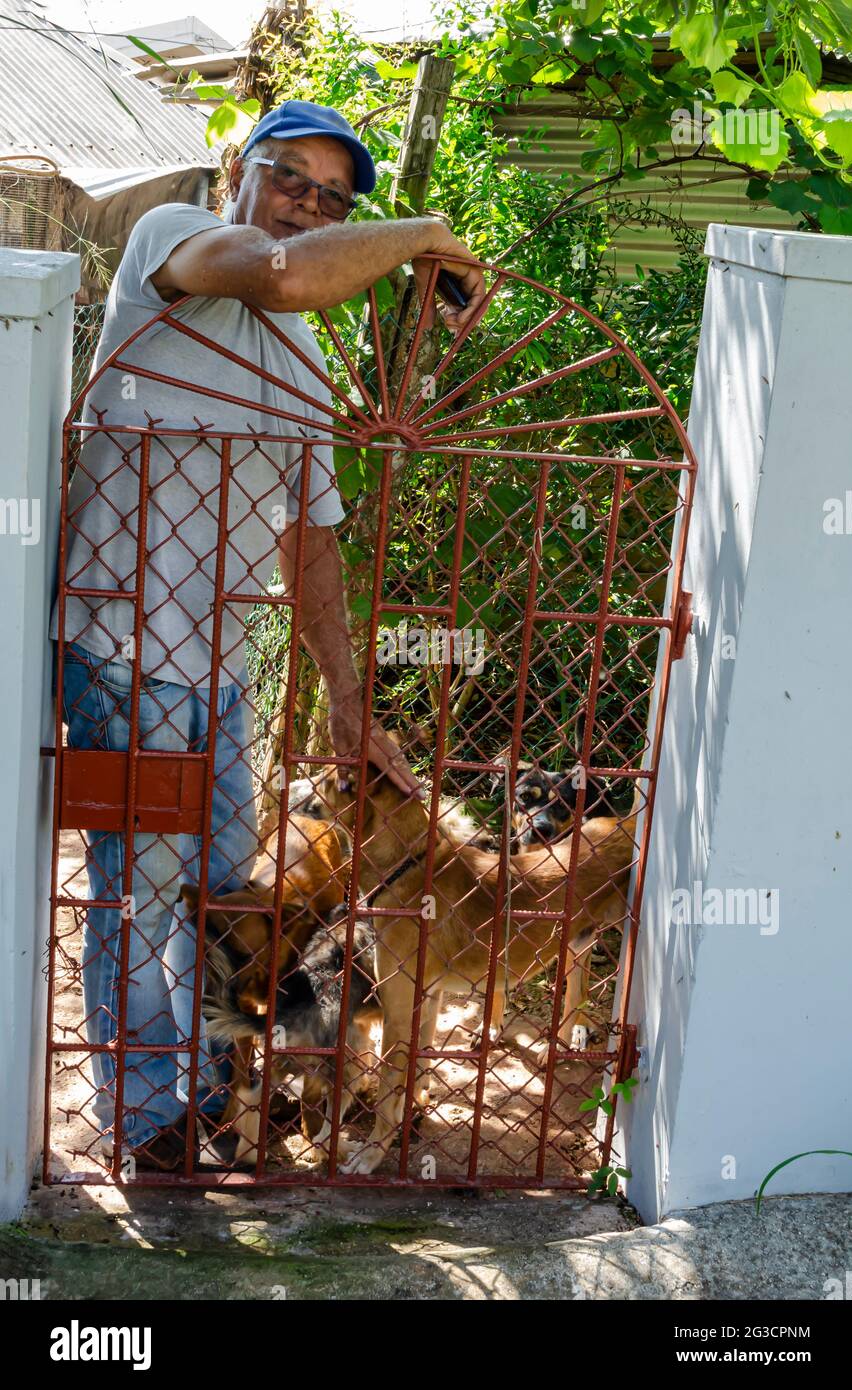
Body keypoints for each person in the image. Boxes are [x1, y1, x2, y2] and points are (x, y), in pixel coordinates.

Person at [52, 100, 485, 1170]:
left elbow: (314, 546)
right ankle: (154, 1116)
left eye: (334, 198)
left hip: (222, 661)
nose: (309, 203)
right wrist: (425, 235)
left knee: (226, 895)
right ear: (239, 174)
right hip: (123, 639)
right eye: (292, 177)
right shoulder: (176, 248)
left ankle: (206, 1082)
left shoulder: (303, 367)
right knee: (143, 882)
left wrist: (348, 701)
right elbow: (282, 269)